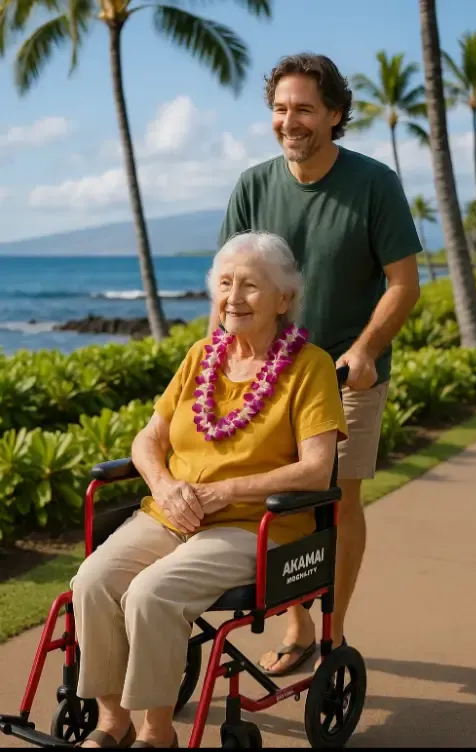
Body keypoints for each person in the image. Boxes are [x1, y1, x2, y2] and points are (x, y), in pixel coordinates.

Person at [70, 230, 348, 749]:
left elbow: (316, 469)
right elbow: (148, 438)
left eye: (250, 285)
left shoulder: (310, 368)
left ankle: (158, 735)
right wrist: (164, 482)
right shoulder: (201, 355)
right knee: (92, 581)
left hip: (252, 523)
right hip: (174, 510)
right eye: (224, 283)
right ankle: (112, 722)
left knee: (153, 594)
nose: (233, 297)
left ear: (283, 298)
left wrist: (225, 492)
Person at [210, 53, 422, 676]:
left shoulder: (374, 183)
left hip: (343, 376)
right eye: (280, 109)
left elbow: (404, 283)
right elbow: (228, 290)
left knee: (337, 500)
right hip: (265, 378)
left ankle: (334, 629)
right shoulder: (252, 185)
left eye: (304, 108)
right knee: (282, 503)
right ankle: (299, 624)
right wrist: (214, 366)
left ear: (334, 114)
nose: (290, 121)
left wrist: (364, 349)